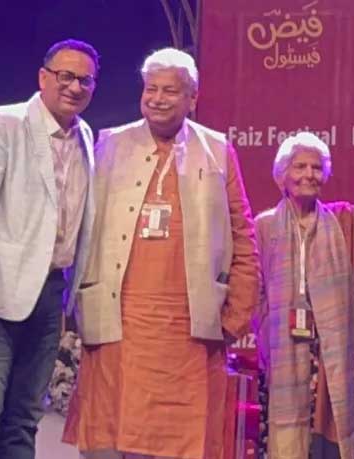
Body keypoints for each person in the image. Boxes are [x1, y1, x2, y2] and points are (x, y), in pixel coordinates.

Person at [62, 47, 260, 459]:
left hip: (189, 332)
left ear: (192, 97)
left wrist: (237, 312)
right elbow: (79, 225)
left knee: (180, 443)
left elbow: (243, 234)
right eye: (151, 89)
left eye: (170, 90)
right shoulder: (109, 144)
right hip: (118, 323)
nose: (157, 98)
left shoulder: (217, 150)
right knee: (109, 439)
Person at [0, 39, 99, 458]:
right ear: (43, 77)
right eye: (65, 76)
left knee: (25, 416)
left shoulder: (85, 136)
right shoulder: (2, 123)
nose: (74, 87)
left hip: (50, 292)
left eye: (85, 80)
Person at [254, 132, 354, 458]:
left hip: (330, 350)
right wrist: (267, 337)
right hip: (283, 351)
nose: (309, 175)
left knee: (328, 443)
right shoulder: (263, 227)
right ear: (283, 175)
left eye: (317, 168)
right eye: (300, 167)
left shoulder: (339, 227)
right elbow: (255, 290)